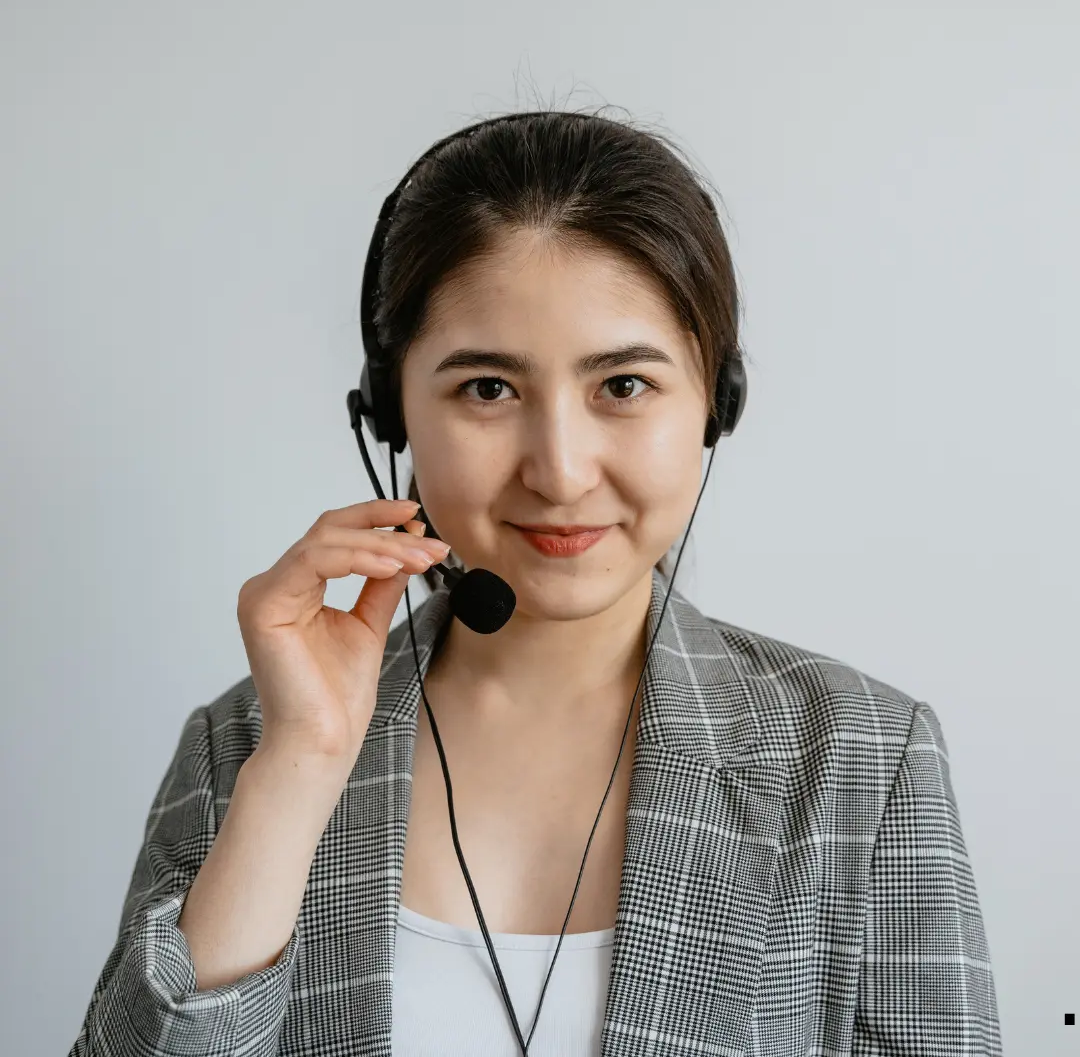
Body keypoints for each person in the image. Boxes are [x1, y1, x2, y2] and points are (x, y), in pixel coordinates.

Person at [68, 108, 1002, 1056]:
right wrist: (299, 770)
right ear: (391, 418)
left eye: (624, 386)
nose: (558, 471)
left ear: (714, 407)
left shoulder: (862, 760)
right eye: (488, 389)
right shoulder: (246, 748)